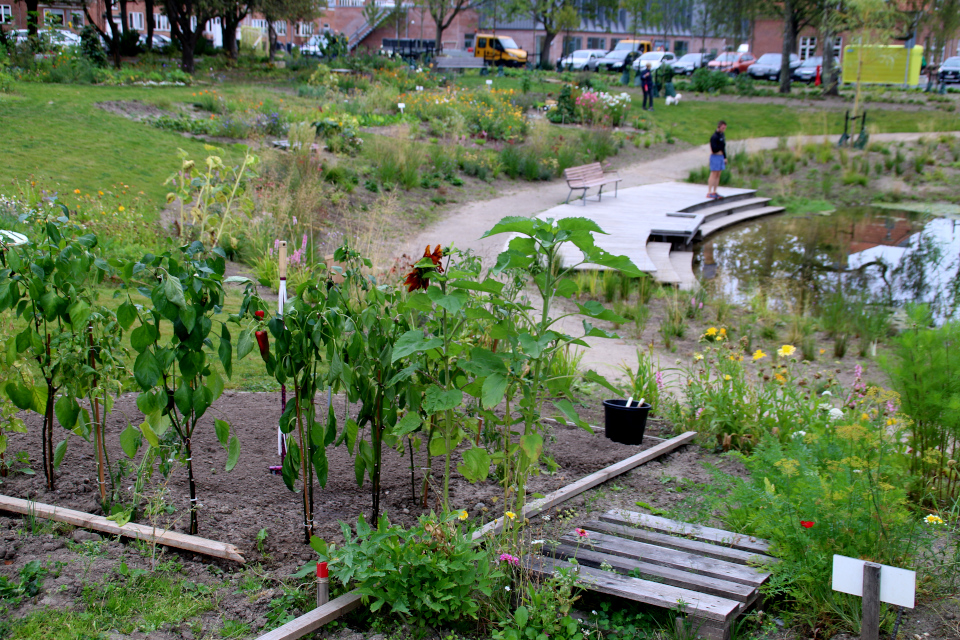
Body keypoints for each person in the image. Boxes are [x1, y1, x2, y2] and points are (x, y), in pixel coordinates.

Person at [707, 120, 727, 200]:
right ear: (719, 127)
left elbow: (723, 147)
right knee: (713, 173)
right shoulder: (714, 136)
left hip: (721, 156)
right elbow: (714, 149)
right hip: (715, 156)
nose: (724, 129)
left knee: (718, 174)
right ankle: (709, 191)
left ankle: (714, 191)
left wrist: (725, 157)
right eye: (723, 128)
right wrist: (720, 147)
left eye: (725, 128)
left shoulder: (722, 135)